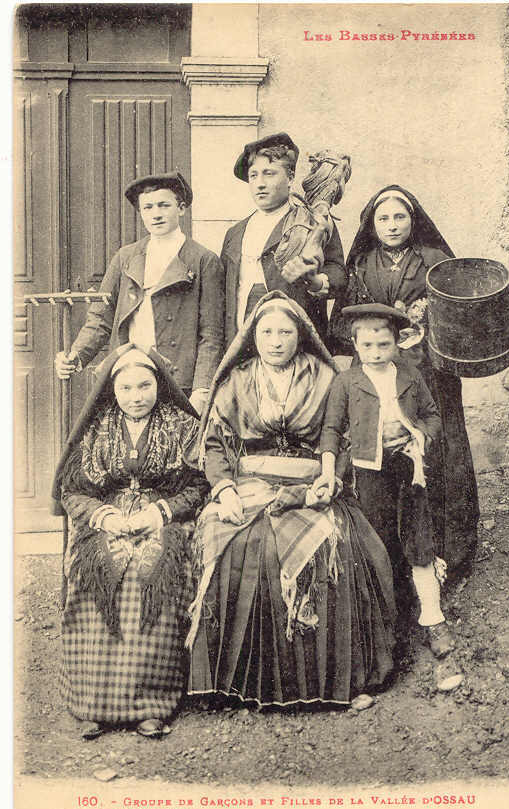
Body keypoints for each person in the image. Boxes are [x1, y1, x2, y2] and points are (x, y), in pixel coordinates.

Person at [185, 291, 396, 710]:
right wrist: (223, 489)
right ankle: (233, 683)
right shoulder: (237, 380)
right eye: (267, 332)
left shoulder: (325, 377)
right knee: (232, 541)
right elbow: (214, 444)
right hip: (247, 485)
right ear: (253, 335)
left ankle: (326, 681)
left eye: (285, 331)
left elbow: (345, 436)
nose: (276, 340)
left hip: (313, 484)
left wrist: (330, 479)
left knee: (337, 543)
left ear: (301, 334)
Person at [51, 344, 209, 739]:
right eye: (126, 388)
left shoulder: (182, 425)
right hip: (107, 518)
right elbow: (71, 490)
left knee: (151, 576)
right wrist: (105, 516)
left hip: (163, 515)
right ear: (112, 389)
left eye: (144, 386)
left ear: (160, 385)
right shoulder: (96, 426)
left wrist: (158, 513)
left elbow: (200, 484)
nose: (136, 397)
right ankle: (94, 705)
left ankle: (151, 705)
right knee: (95, 578)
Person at [329, 185, 479, 580]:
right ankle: (391, 553)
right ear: (371, 224)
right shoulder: (361, 263)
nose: (392, 225)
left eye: (399, 217)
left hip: (429, 371)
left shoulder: (435, 260)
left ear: (414, 221)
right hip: (381, 369)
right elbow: (347, 322)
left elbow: (461, 312)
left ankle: (450, 549)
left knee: (438, 450)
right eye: (383, 218)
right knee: (384, 457)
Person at [318, 304, 454, 658]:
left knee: (418, 536)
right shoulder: (346, 381)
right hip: (368, 472)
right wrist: (328, 470)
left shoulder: (409, 375)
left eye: (383, 345)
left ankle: (432, 616)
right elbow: (331, 429)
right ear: (354, 345)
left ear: (397, 344)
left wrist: (420, 437)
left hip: (408, 467)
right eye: (367, 346)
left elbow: (431, 415)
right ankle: (387, 623)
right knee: (378, 540)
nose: (375, 353)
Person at [54, 171, 225, 415]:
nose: (156, 214)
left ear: (182, 208)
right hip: (130, 374)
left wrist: (202, 389)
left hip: (179, 380)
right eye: (148, 207)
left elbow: (211, 333)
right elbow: (101, 317)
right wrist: (75, 356)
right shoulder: (126, 257)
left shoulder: (203, 260)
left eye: (164, 205)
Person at [222, 132, 346, 346]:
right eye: (254, 175)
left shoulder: (313, 222)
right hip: (244, 340)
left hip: (298, 340)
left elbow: (338, 274)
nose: (260, 183)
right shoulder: (235, 233)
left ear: (290, 178)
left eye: (269, 174)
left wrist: (316, 282)